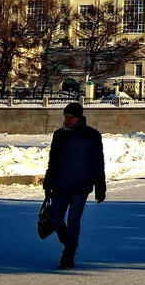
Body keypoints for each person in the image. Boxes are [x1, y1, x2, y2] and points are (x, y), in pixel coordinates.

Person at [43, 103, 106, 270]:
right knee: (56, 219)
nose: (67, 120)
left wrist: (101, 186)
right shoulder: (59, 135)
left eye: (70, 117)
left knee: (73, 221)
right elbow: (53, 161)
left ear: (78, 117)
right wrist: (48, 182)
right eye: (65, 116)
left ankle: (68, 254)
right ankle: (69, 243)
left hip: (81, 186)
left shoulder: (91, 135)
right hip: (59, 185)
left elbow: (98, 162)